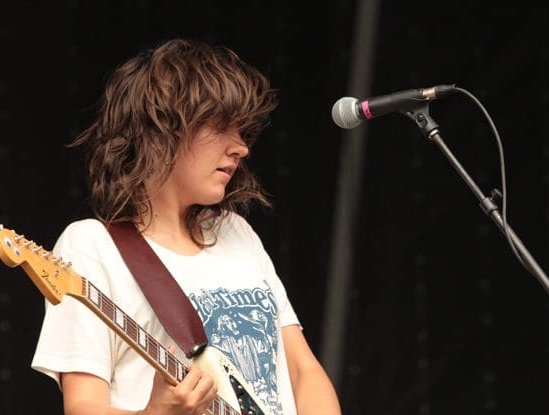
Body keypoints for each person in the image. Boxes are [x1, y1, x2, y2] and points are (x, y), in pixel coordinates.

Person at [31, 38, 341, 415]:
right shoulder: (91, 246)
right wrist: (157, 413)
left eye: (243, 131)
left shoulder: (236, 233)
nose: (241, 147)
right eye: (223, 126)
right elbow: (83, 407)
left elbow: (303, 372)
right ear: (161, 130)